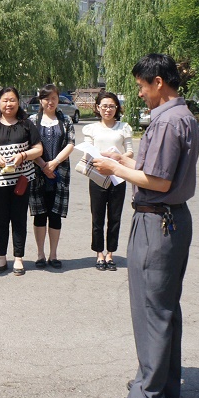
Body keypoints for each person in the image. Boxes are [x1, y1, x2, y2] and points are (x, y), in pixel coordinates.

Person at [93, 54, 199, 398]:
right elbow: (157, 169)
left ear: (158, 82)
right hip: (171, 219)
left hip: (157, 222)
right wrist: (125, 162)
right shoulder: (181, 115)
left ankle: (148, 395)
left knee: (151, 307)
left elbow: (158, 181)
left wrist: (112, 167)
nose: (139, 93)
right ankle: (162, 382)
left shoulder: (167, 121)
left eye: (141, 86)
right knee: (165, 305)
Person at [0, 87, 43, 276]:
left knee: (19, 218)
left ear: (18, 102)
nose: (8, 104)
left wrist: (23, 155)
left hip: (21, 180)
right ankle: (1, 257)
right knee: (1, 219)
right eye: (5, 100)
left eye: (12, 100)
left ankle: (19, 258)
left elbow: (38, 149)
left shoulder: (26, 124)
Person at [80, 91, 134, 271]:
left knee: (115, 217)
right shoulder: (91, 129)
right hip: (98, 176)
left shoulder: (123, 127)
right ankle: (99, 253)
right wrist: (101, 157)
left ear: (117, 108)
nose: (108, 110)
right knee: (97, 217)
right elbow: (88, 150)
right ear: (98, 108)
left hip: (118, 176)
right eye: (104, 106)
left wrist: (118, 157)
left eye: (111, 106)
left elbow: (130, 151)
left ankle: (110, 253)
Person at [28, 84, 76, 269]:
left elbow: (70, 144)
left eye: (54, 98)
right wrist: (43, 165)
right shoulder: (32, 120)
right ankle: (40, 254)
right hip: (37, 174)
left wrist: (54, 163)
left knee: (55, 215)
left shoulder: (66, 120)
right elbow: (29, 145)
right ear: (41, 100)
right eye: (46, 98)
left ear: (58, 99)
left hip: (60, 173)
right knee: (39, 214)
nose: (50, 102)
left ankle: (53, 254)